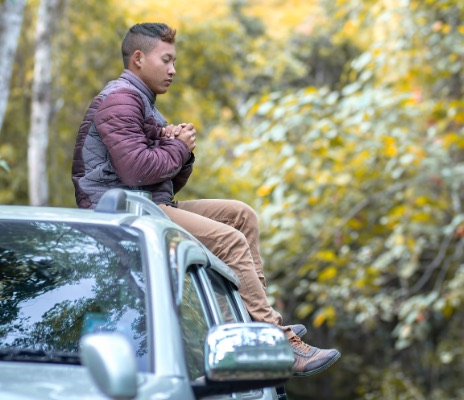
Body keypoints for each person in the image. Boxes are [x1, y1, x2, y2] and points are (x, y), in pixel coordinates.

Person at [71, 22, 340, 377]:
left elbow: (163, 182)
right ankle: (277, 341)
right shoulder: (121, 99)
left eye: (174, 61)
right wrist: (177, 145)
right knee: (230, 240)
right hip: (121, 210)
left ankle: (250, 323)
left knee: (240, 216)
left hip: (146, 202)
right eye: (166, 60)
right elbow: (137, 171)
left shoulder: (142, 103)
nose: (173, 70)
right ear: (138, 58)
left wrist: (176, 147)